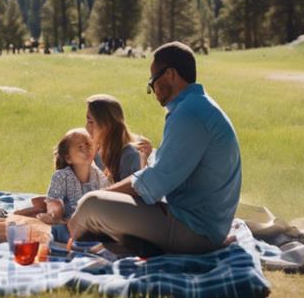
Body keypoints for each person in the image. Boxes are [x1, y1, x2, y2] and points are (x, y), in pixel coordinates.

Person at [68, 42, 242, 256]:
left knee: (91, 204)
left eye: (153, 80)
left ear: (170, 74)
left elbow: (153, 183)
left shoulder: (190, 114)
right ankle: (133, 243)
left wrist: (99, 196)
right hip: (198, 224)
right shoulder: (197, 106)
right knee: (99, 206)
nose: (152, 89)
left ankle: (87, 235)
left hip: (194, 231)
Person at [15, 129, 108, 225]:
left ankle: (40, 207)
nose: (86, 150)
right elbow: (55, 203)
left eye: (88, 145)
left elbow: (105, 195)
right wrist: (54, 216)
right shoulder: (61, 176)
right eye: (80, 147)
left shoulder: (98, 175)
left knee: (43, 204)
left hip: (84, 216)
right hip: (63, 210)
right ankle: (18, 214)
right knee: (47, 206)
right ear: (68, 158)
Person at [85, 94, 151, 182]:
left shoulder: (129, 156)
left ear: (107, 125)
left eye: (91, 122)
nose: (86, 127)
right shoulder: (93, 150)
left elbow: (129, 192)